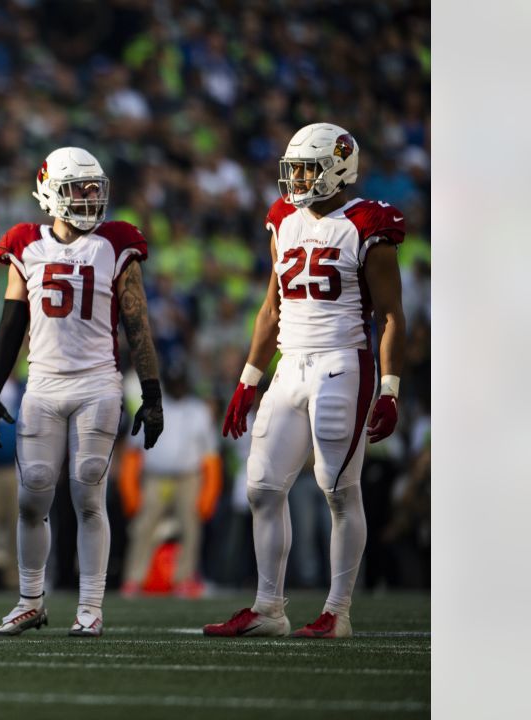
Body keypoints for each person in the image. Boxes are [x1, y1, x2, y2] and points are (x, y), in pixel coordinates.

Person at [205, 123, 406, 639]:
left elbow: (390, 316)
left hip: (342, 363)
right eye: (292, 167)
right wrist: (249, 378)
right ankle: (268, 608)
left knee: (338, 491)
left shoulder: (366, 223)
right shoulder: (282, 219)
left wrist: (390, 387)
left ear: (338, 168)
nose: (296, 178)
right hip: (288, 364)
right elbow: (272, 306)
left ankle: (337, 612)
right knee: (262, 488)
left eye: (307, 168)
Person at [0, 147, 164, 638]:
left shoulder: (116, 243)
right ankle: (30, 600)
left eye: (92, 188)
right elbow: (12, 322)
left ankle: (90, 607)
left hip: (98, 384)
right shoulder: (25, 243)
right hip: (42, 383)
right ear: (48, 192)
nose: (87, 198)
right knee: (32, 494)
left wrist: (151, 391)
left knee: (88, 490)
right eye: (75, 189)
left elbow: (137, 322)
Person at [119, 365, 218, 598]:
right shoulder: (152, 407)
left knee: (190, 527)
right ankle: (134, 578)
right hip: (155, 477)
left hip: (188, 477)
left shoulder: (198, 410)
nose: (177, 386)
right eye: (173, 381)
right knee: (144, 527)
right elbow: (133, 451)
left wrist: (209, 491)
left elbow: (210, 454)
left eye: (180, 381)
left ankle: (184, 579)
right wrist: (130, 487)